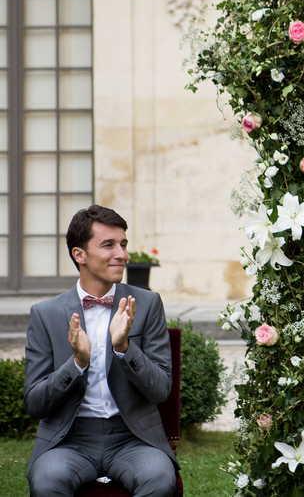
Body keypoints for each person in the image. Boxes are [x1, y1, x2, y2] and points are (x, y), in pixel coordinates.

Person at [24, 205, 178, 497]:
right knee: (47, 482)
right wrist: (77, 363)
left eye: (123, 244)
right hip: (69, 440)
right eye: (108, 245)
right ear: (79, 255)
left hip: (133, 438)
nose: (121, 254)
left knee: (159, 479)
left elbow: (161, 391)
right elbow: (34, 403)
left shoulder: (147, 304)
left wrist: (124, 348)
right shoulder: (46, 314)